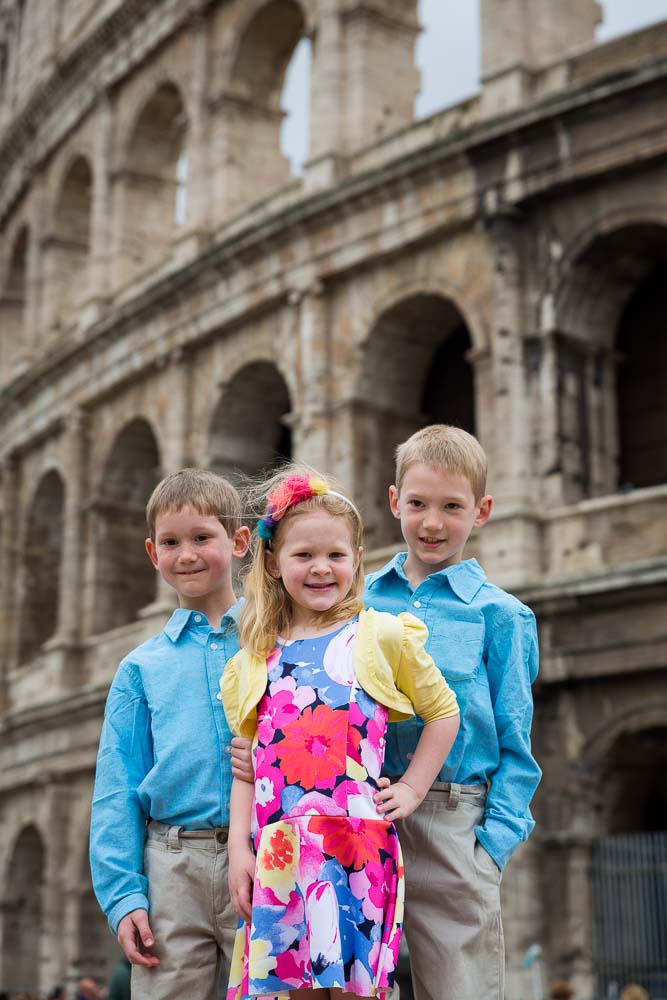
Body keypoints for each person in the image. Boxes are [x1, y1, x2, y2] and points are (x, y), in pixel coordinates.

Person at [221, 466, 460, 1000]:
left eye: (336, 555)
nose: (321, 569)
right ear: (274, 563)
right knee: (296, 991)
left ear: (356, 559)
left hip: (355, 845)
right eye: (303, 556)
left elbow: (444, 712)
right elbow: (247, 766)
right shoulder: (252, 661)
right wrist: (240, 848)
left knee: (354, 992)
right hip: (279, 850)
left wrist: (413, 787)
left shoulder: (379, 636)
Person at [364, 424, 542, 1000]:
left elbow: (517, 743)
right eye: (417, 504)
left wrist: (490, 850)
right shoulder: (357, 601)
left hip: (455, 824)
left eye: (451, 507)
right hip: (362, 815)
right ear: (394, 503)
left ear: (481, 510)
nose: (432, 523)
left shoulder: (502, 616)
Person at [89, 468, 254, 1000]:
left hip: (261, 854)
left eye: (202, 538)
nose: (186, 554)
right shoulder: (141, 668)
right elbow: (117, 789)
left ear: (240, 541)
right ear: (151, 552)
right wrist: (123, 897)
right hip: (170, 869)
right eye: (171, 542)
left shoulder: (276, 642)